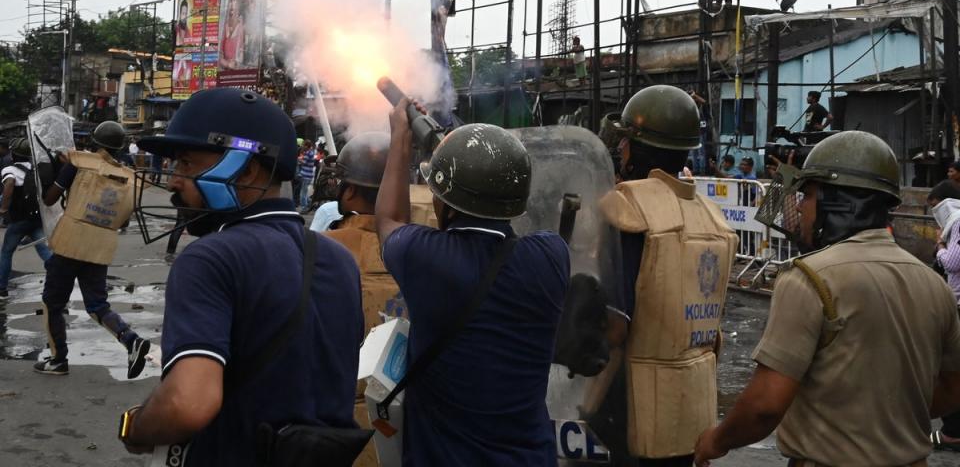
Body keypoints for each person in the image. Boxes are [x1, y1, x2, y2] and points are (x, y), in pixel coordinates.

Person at [118, 88, 363, 465]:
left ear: (246, 169)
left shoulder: (210, 258)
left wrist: (135, 427)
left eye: (186, 164)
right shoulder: (339, 258)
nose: (172, 181)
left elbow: (188, 404)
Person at [695, 131, 960, 466]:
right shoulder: (934, 284)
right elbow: (952, 387)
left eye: (805, 197)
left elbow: (764, 406)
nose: (799, 207)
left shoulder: (809, 278)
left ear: (836, 202)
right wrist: (888, 415)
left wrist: (715, 441)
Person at [376, 109, 570, 466]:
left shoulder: (427, 258)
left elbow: (389, 220)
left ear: (445, 202)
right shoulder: (552, 256)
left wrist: (401, 136)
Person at [597, 85, 737, 466]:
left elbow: (614, 326)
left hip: (635, 416)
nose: (621, 150)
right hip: (693, 414)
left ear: (636, 148)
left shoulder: (629, 208)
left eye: (625, 142)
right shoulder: (713, 216)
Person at [37, 121, 150, 378]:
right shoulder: (127, 177)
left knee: (52, 302)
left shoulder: (78, 162)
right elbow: (123, 221)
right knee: (97, 304)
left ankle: (58, 359)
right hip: (100, 246)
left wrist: (55, 176)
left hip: (70, 241)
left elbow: (50, 198)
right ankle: (131, 340)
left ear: (94, 141)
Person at [928, 179, 960, 451]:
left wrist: (939, 247)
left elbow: (952, 262)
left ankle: (952, 430)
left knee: (950, 363)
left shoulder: (957, 222)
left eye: (935, 205)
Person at [0, 138, 53, 298]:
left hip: (19, 221)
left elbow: (9, 185)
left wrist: (3, 208)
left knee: (6, 252)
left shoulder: (10, 169)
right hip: (36, 218)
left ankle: (2, 287)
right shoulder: (36, 170)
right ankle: (58, 278)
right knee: (44, 250)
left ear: (14, 154)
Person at [220, 0, 245, 69]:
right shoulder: (223, 25)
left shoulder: (241, 25)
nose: (232, 4)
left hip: (239, 74)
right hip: (223, 75)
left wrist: (236, 63)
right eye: (230, 0)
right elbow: (218, 55)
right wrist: (227, 64)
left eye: (234, 0)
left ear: (237, 2)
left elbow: (242, 53)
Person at [297, 139, 316, 210]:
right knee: (304, 192)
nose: (303, 146)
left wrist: (298, 159)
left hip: (306, 175)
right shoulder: (311, 152)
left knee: (303, 193)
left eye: (304, 145)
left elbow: (304, 162)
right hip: (308, 175)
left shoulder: (308, 153)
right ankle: (311, 204)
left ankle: (304, 207)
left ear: (307, 146)